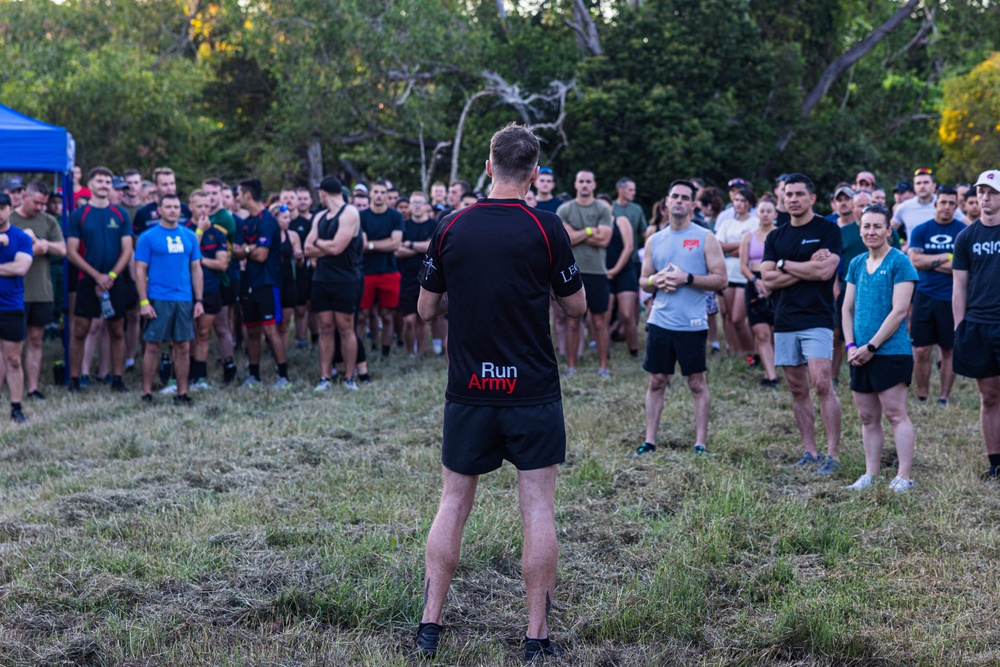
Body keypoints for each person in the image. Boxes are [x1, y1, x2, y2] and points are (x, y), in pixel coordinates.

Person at [415, 123, 585, 661]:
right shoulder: (548, 226)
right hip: (531, 389)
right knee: (537, 510)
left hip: (469, 389)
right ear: (534, 174)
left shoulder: (451, 225)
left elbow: (424, 310)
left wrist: (459, 299)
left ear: (488, 166)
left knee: (452, 502)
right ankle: (536, 637)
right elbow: (577, 307)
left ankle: (429, 627)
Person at [634, 179, 727, 457]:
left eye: (685, 198)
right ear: (666, 201)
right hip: (660, 321)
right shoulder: (655, 240)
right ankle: (649, 441)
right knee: (656, 380)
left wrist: (687, 278)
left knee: (696, 382)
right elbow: (643, 281)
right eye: (674, 196)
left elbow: (721, 280)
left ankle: (700, 443)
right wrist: (656, 278)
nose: (679, 201)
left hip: (693, 322)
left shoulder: (705, 237)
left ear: (693, 204)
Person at [760, 173, 843, 475]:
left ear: (811, 198)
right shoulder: (775, 237)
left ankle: (832, 455)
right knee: (797, 389)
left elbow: (825, 272)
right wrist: (805, 266)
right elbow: (766, 278)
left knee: (822, 383)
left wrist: (784, 265)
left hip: (817, 318)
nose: (793, 199)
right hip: (784, 320)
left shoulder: (827, 229)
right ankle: (810, 451)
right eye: (788, 194)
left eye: (798, 194)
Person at [841, 204, 918, 492]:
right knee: (867, 416)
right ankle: (870, 474)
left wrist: (872, 346)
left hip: (890, 351)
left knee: (895, 414)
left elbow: (899, 311)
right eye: (866, 226)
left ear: (889, 230)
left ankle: (903, 476)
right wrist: (851, 345)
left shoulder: (900, 262)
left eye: (877, 226)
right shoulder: (857, 264)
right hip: (858, 353)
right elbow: (847, 309)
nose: (871, 231)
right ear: (860, 230)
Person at [66, 167, 134, 393]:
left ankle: (117, 379)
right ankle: (75, 379)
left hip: (116, 281)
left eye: (108, 181)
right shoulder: (79, 215)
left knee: (117, 329)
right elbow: (72, 251)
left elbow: (127, 250)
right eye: (100, 181)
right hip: (88, 280)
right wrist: (97, 276)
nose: (104, 185)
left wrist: (112, 276)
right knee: (80, 330)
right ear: (91, 184)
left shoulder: (120, 214)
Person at [952, 169, 1000, 480]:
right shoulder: (966, 237)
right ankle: (995, 463)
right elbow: (959, 287)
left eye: (992, 192)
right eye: (981, 191)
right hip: (979, 325)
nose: (984, 197)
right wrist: (959, 328)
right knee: (989, 396)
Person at [134, 194, 204, 404]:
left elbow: (196, 269)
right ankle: (146, 392)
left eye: (176, 207)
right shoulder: (148, 237)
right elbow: (139, 270)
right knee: (153, 346)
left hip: (183, 299)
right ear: (160, 210)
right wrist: (144, 301)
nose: (173, 210)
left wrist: (199, 300)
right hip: (158, 299)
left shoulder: (190, 236)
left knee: (183, 346)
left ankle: (182, 393)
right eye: (168, 207)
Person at [907, 185, 965, 405]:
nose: (947, 207)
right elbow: (915, 261)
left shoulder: (962, 231)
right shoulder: (921, 230)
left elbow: (962, 267)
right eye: (943, 202)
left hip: (952, 298)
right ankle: (923, 395)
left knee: (949, 349)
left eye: (952, 203)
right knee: (921, 350)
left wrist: (930, 263)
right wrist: (947, 256)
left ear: (956, 206)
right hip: (924, 295)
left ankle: (944, 397)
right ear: (935, 203)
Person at [305, 176, 364, 392]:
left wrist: (318, 243)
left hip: (345, 280)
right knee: (326, 328)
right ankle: (325, 377)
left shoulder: (350, 213)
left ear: (323, 193)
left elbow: (337, 248)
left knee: (346, 328)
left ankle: (349, 377)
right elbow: (306, 248)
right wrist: (324, 246)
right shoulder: (319, 216)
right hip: (321, 279)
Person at [232, 178, 290, 388]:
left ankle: (283, 376)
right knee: (252, 330)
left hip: (268, 282)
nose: (236, 198)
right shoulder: (245, 222)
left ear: (247, 195)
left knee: (270, 329)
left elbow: (262, 255)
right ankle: (254, 376)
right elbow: (236, 252)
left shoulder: (268, 221)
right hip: (249, 283)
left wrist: (247, 249)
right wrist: (250, 248)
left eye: (238, 193)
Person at [10, 181, 66, 400]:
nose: (41, 207)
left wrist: (45, 245)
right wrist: (30, 248)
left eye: (44, 203)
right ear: (25, 196)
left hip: (42, 291)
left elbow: (62, 250)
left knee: (36, 340)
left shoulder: (49, 221)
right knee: (11, 344)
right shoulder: (10, 220)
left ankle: (32, 388)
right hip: (13, 293)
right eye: (37, 202)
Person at [557, 171, 613, 377]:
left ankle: (603, 367)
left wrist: (579, 232)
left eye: (588, 181)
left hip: (597, 271)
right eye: (581, 181)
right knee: (572, 322)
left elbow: (605, 239)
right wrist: (592, 231)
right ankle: (571, 367)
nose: (585, 185)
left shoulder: (602, 209)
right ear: (575, 184)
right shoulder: (565, 209)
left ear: (594, 185)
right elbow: (566, 240)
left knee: (600, 321)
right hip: (572, 271)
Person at [357, 181, 404, 358]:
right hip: (366, 272)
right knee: (362, 315)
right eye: (375, 192)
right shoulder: (362, 216)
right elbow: (361, 245)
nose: (378, 195)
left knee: (387, 315)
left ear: (387, 195)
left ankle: (385, 352)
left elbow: (396, 243)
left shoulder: (395, 216)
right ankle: (359, 352)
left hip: (389, 271)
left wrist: (370, 244)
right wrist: (383, 244)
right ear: (370, 194)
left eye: (382, 192)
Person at [189, 191, 229, 391]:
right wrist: (199, 232)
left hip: (211, 289)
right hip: (185, 291)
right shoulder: (183, 230)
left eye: (207, 206)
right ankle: (181, 375)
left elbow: (222, 264)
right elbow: (185, 256)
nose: (204, 210)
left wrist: (200, 260)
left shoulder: (218, 233)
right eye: (199, 206)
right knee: (185, 334)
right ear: (191, 208)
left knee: (204, 333)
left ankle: (200, 376)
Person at [713, 187, 758, 363]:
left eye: (743, 201)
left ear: (749, 203)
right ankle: (738, 353)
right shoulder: (727, 223)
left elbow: (752, 248)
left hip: (744, 275)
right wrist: (740, 246)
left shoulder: (754, 222)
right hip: (728, 274)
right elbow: (718, 246)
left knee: (739, 319)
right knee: (728, 317)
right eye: (736, 200)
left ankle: (752, 355)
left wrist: (731, 248)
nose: (739, 204)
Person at [0, 192, 34, 422]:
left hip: (11, 305)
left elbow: (21, 268)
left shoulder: (21, 237)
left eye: (2, 207)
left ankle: (16, 408)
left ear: (10, 209)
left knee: (13, 359)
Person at [739, 197, 778, 386]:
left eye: (769, 211)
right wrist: (756, 281)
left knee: (774, 331)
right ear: (757, 213)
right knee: (761, 333)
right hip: (754, 284)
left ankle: (777, 365)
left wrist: (771, 284)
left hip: (777, 283)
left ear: (775, 214)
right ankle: (771, 376)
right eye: (762, 211)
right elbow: (743, 265)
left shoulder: (780, 235)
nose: (765, 214)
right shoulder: (748, 236)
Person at [396, 191, 435, 357]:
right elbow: (397, 250)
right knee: (409, 320)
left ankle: (419, 353)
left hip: (426, 278)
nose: (417, 206)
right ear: (410, 206)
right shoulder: (403, 224)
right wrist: (421, 247)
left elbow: (431, 247)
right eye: (414, 202)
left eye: (420, 202)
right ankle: (410, 351)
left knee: (422, 319)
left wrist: (409, 244)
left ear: (426, 206)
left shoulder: (434, 225)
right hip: (406, 278)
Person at [601, 196, 638, 357]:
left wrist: (615, 270)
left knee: (627, 315)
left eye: (605, 206)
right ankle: (605, 351)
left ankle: (634, 350)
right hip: (603, 273)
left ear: (611, 207)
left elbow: (629, 247)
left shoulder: (620, 221)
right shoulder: (596, 226)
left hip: (623, 272)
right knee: (604, 315)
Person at [892, 168, 965, 242]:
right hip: (915, 251)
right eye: (918, 183)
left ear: (934, 186)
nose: (922, 186)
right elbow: (888, 232)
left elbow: (970, 227)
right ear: (914, 187)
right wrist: (899, 247)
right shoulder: (904, 207)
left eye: (926, 182)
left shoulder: (946, 203)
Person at [271, 203, 303, 354]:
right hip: (272, 282)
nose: (288, 220)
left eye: (289, 217)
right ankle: (274, 351)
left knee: (284, 323)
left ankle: (282, 356)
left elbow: (300, 263)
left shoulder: (293, 236)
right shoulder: (269, 235)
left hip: (289, 282)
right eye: (284, 217)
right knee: (272, 324)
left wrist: (299, 257)